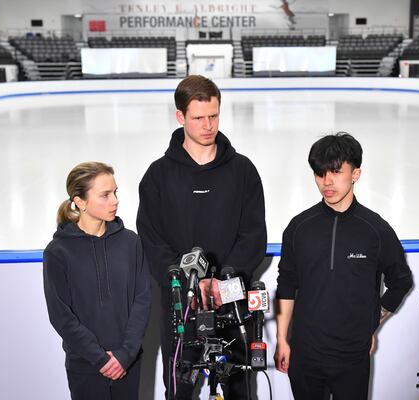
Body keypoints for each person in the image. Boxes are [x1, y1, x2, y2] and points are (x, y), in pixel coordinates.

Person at [137, 75, 267, 399]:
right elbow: (152, 241)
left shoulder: (243, 171)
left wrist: (223, 282)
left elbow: (253, 236)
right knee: (179, 391)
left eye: (214, 115)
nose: (208, 125)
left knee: (239, 389)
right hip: (181, 305)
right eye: (198, 118)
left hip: (232, 303)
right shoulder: (158, 176)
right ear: (180, 117)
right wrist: (187, 283)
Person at [274, 133, 413, 400]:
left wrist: (372, 322)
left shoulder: (375, 230)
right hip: (305, 355)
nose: (327, 182)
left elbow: (401, 281)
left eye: (336, 172)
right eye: (320, 173)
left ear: (355, 174)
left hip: (351, 359)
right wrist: (282, 339)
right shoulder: (299, 227)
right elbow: (286, 285)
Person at [43, 162, 151, 400]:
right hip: (85, 365)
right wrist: (100, 359)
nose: (115, 200)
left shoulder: (131, 242)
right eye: (105, 195)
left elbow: (142, 300)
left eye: (115, 192)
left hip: (129, 362)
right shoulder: (58, 252)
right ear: (79, 201)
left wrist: (125, 355)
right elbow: (61, 315)